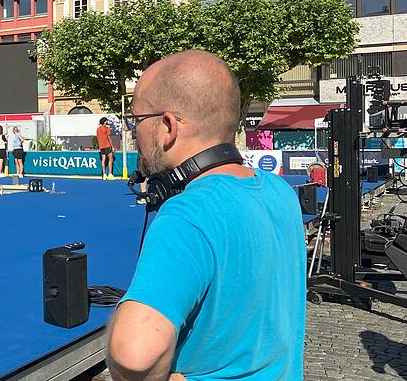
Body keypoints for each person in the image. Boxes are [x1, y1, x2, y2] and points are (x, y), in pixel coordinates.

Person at [107, 51, 305, 380]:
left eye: (137, 120)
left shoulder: (187, 215)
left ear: (167, 126)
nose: (132, 133)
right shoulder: (280, 192)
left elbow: (132, 356)